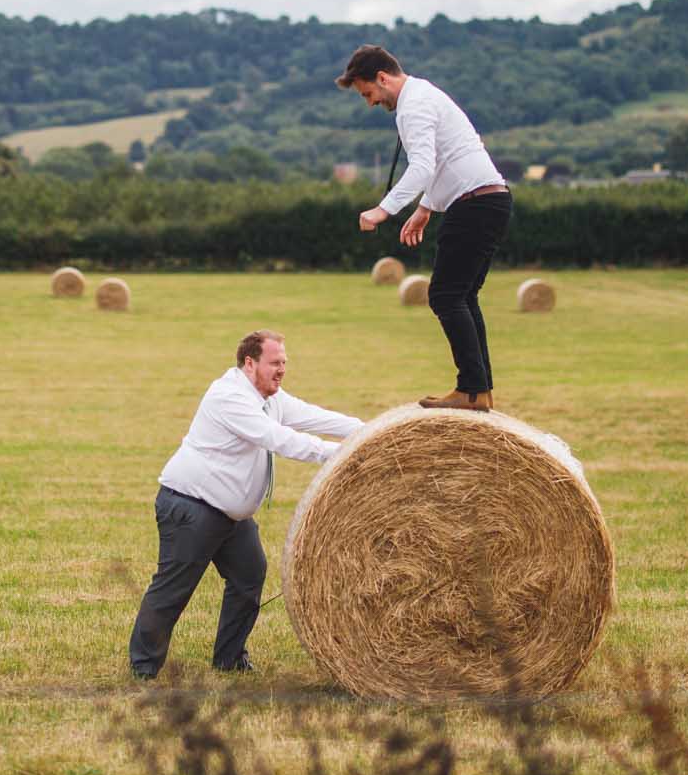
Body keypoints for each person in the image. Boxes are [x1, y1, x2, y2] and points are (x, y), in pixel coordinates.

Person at [128, 330, 361, 679]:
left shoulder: (271, 397)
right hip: (192, 507)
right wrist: (341, 454)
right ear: (250, 363)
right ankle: (143, 666)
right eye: (274, 363)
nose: (281, 370)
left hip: (229, 515)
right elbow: (278, 439)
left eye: (284, 362)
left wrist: (371, 431)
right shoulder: (229, 397)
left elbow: (314, 416)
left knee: (249, 576)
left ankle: (230, 657)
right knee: (173, 588)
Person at [339, 43, 513, 412]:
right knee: (462, 296)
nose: (370, 103)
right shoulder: (425, 94)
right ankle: (479, 390)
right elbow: (445, 159)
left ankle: (471, 390)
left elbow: (422, 167)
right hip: (489, 199)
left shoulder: (414, 106)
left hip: (473, 204)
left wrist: (383, 210)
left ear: (383, 78)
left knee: (446, 296)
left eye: (368, 93)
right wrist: (425, 208)